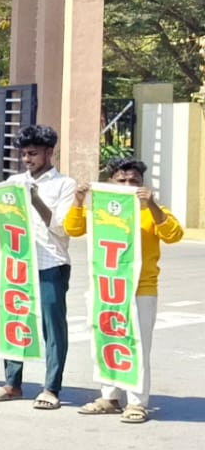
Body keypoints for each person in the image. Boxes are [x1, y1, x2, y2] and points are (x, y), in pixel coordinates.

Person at [69, 159, 182, 424]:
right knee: (106, 341)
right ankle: (109, 397)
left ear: (143, 185)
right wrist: (78, 201)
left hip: (140, 289)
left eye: (134, 181)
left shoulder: (152, 211)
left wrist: (151, 205)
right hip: (106, 287)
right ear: (110, 183)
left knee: (137, 346)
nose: (128, 185)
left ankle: (137, 403)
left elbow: (174, 234)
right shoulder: (101, 210)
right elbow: (73, 229)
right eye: (122, 181)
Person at [0, 125, 76, 407]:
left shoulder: (64, 185)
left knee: (52, 328)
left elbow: (61, 227)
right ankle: (12, 384)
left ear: (49, 152)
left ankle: (51, 388)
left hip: (51, 263)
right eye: (24, 154)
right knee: (14, 318)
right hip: (18, 262)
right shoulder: (14, 180)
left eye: (33, 153)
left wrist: (34, 199)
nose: (28, 159)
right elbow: (1, 224)